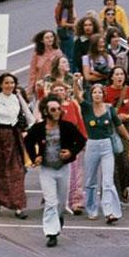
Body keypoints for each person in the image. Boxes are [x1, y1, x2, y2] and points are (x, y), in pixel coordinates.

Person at [24, 96, 87, 247]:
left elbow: (81, 140)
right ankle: (51, 233)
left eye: (59, 109)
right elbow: (28, 141)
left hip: (63, 168)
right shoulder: (39, 128)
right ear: (46, 111)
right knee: (51, 201)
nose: (57, 112)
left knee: (60, 202)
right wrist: (35, 157)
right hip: (47, 169)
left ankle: (58, 218)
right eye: (53, 109)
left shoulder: (67, 127)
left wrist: (71, 152)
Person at [0, 73, 35, 219]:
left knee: (17, 170)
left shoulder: (17, 97)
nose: (10, 86)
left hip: (13, 135)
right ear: (0, 85)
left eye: (12, 83)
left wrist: (28, 131)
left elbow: (29, 116)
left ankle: (19, 206)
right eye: (6, 83)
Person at [78, 83, 129, 224]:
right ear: (91, 95)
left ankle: (110, 211)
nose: (97, 95)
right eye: (94, 92)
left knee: (108, 181)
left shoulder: (109, 109)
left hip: (107, 145)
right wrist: (75, 82)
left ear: (104, 94)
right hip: (92, 145)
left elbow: (119, 125)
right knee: (90, 180)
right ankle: (91, 209)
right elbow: (76, 96)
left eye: (100, 92)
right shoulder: (86, 107)